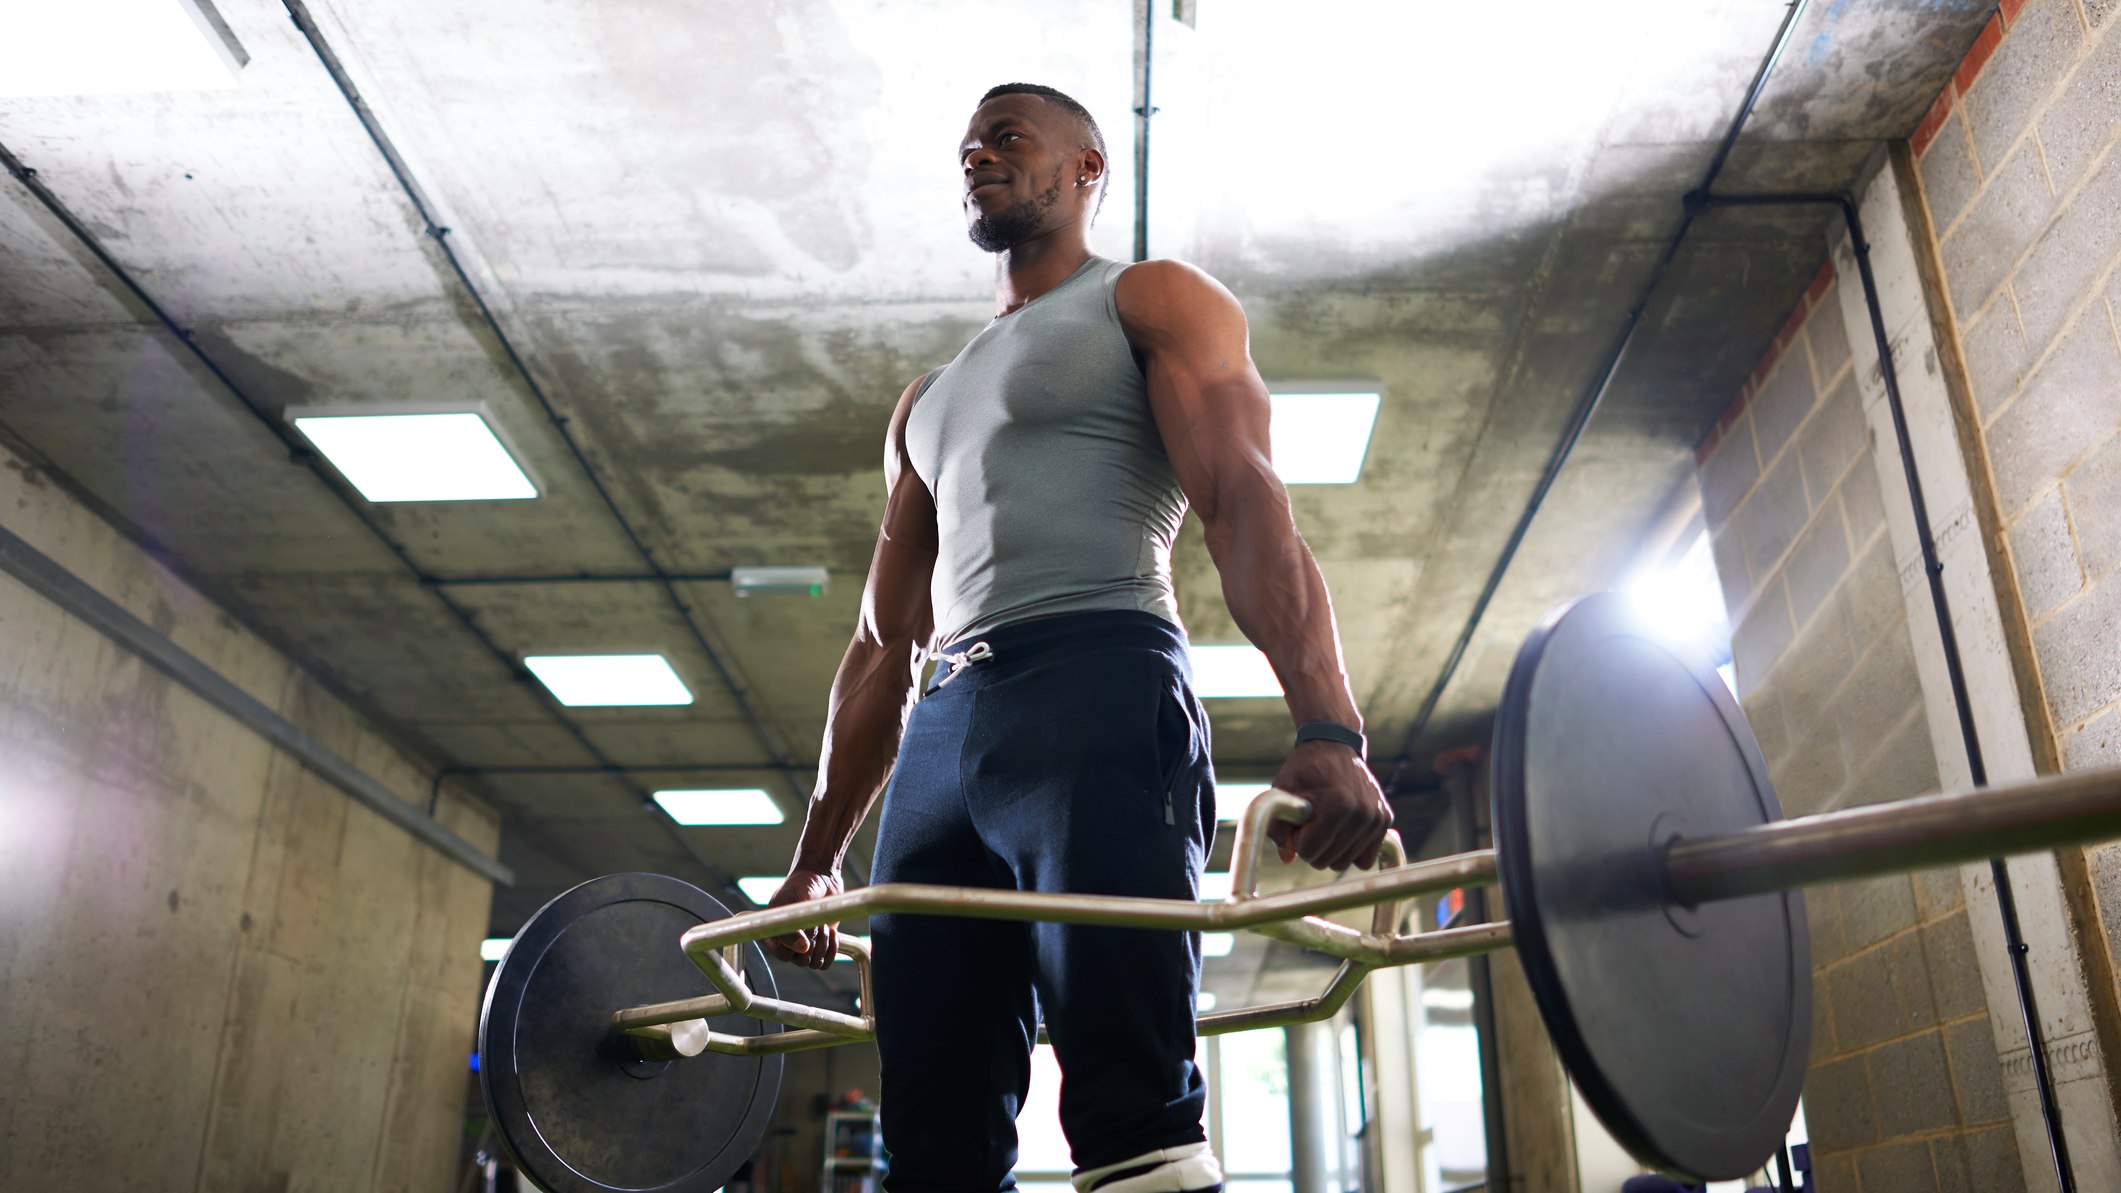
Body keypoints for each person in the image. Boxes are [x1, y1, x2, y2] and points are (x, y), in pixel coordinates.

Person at [762, 82, 1392, 1193]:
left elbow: (1244, 499)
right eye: (967, 146)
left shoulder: (1150, 298)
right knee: (934, 1135)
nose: (979, 156)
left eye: (1007, 138)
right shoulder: (926, 401)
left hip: (1095, 682)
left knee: (1126, 1098)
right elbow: (877, 644)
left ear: (1087, 169)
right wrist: (815, 860)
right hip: (945, 739)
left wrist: (1329, 722)